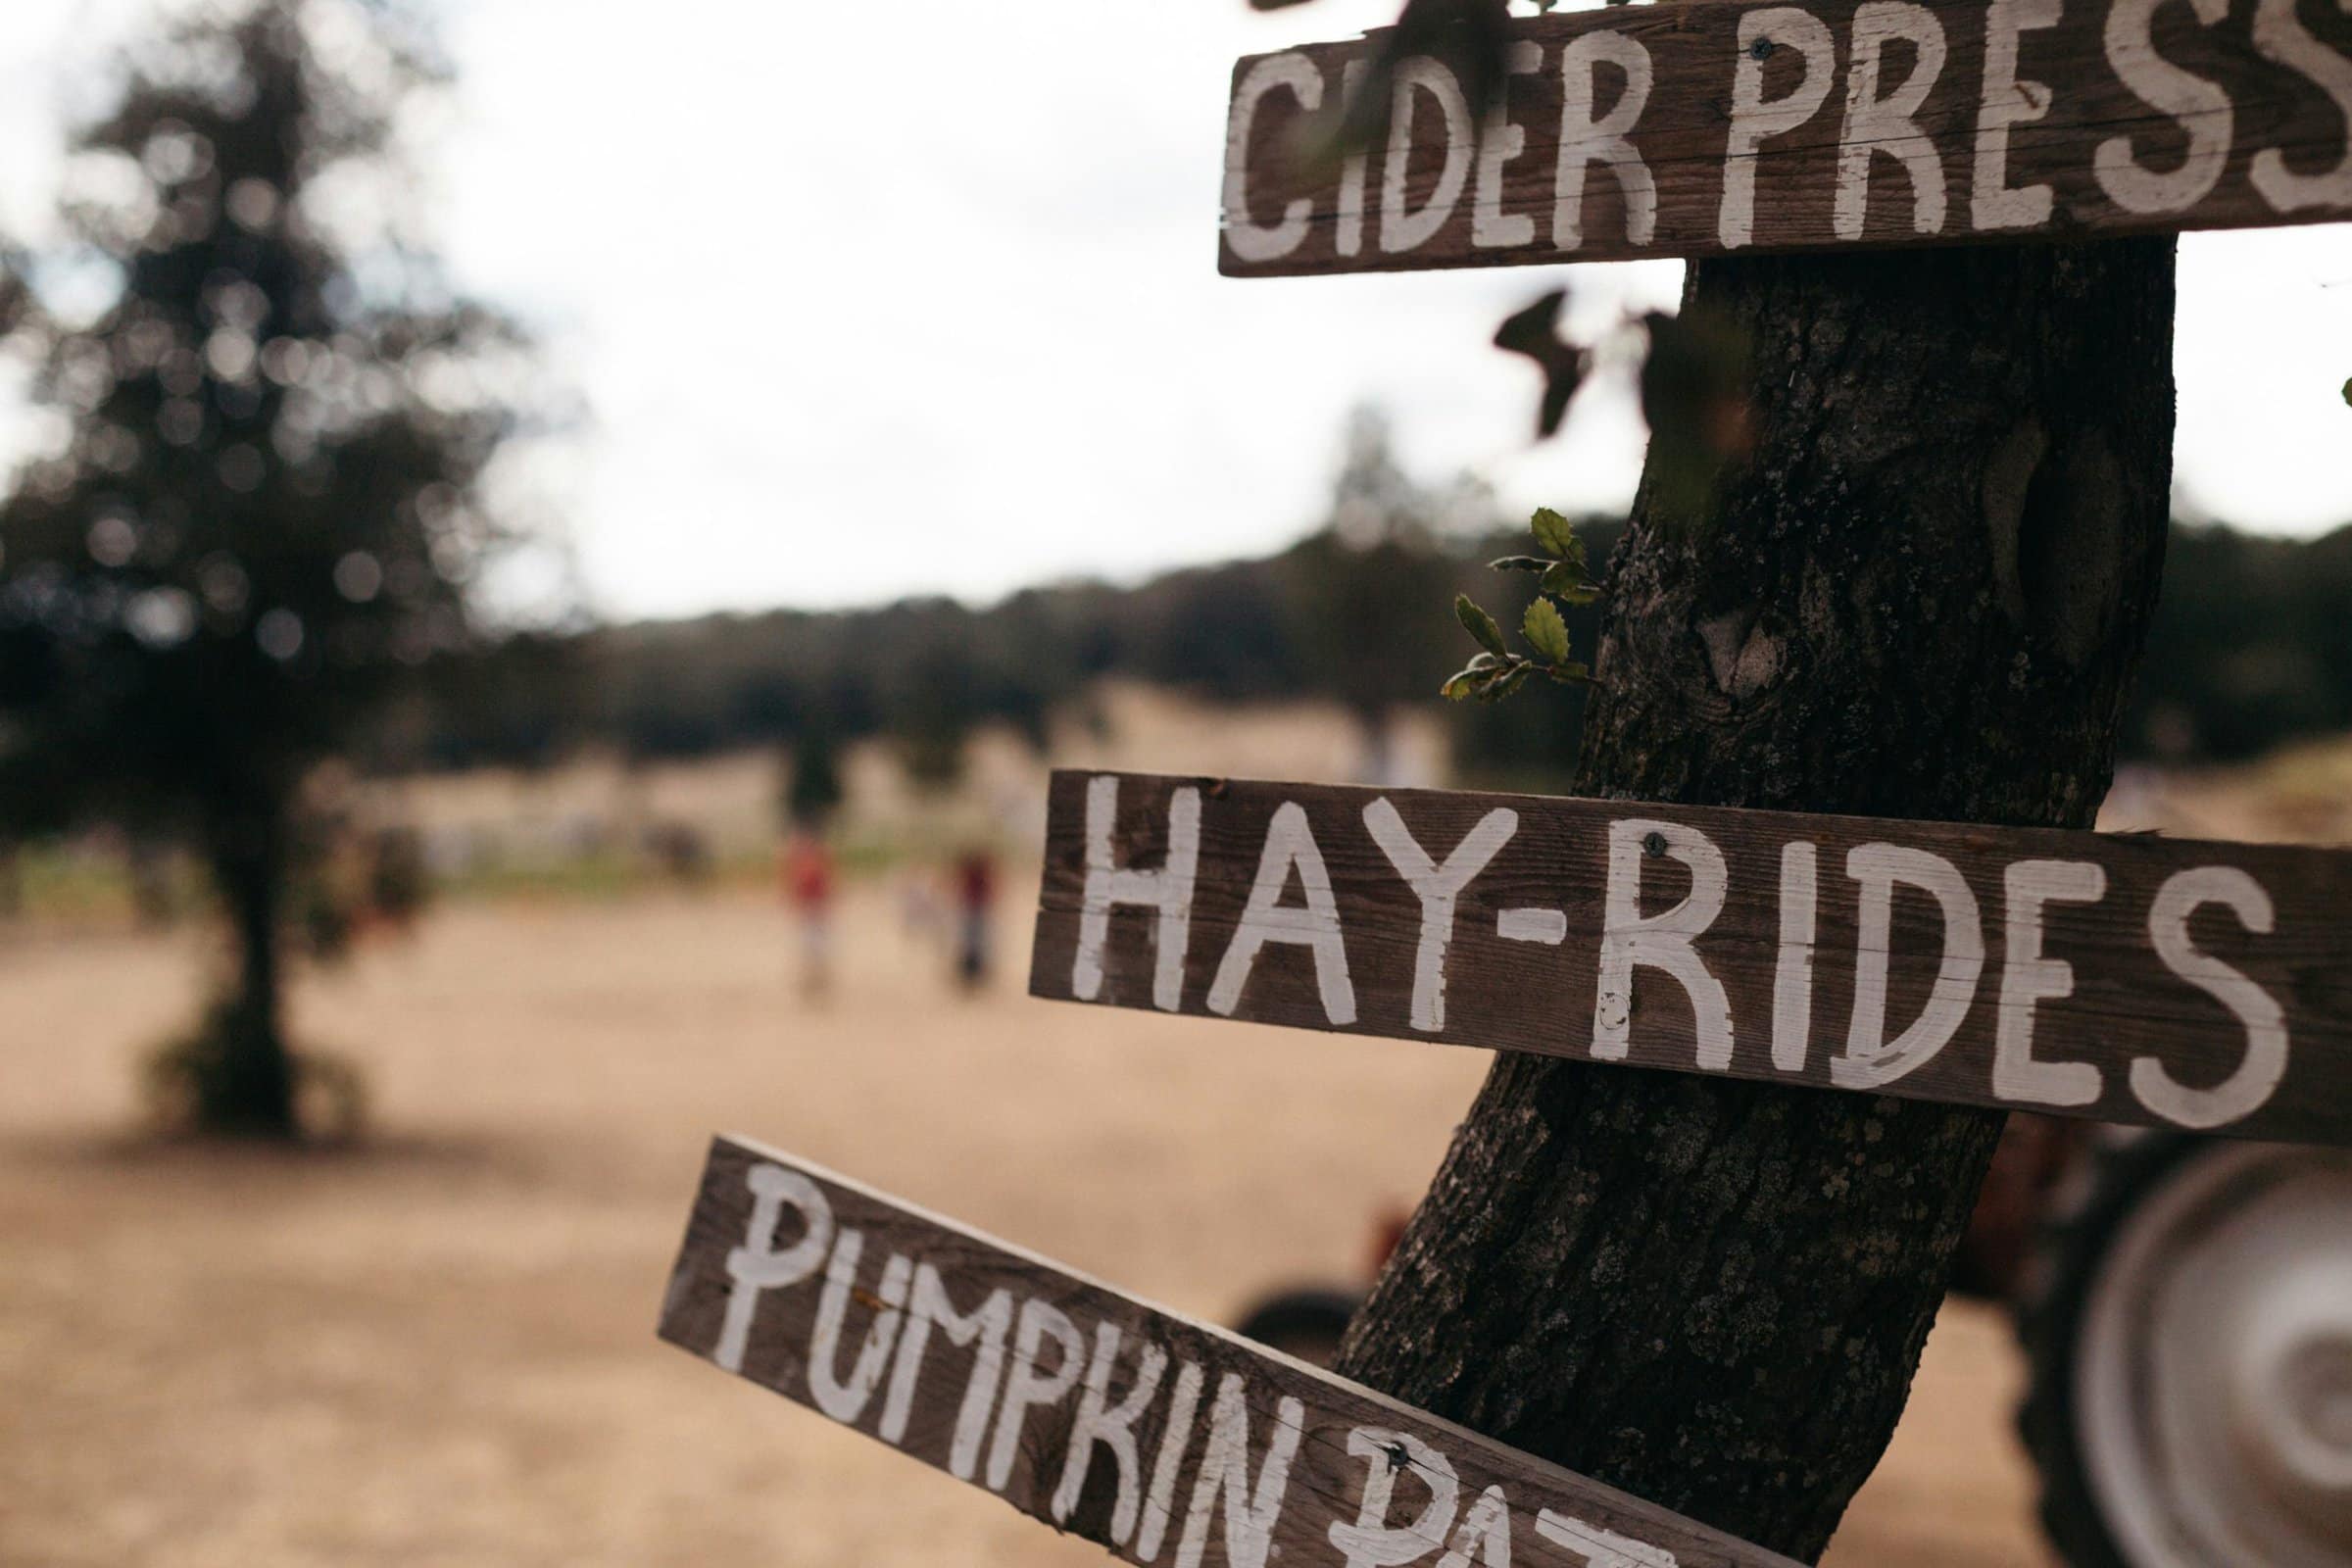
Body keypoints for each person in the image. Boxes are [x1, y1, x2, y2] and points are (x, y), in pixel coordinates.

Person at [780, 829, 837, 997]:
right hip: (810, 911)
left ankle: (817, 979)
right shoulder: (805, 864)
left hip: (815, 911)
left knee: (815, 947)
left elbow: (823, 888)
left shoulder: (812, 865)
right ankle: (814, 979)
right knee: (811, 947)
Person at [951, 847, 996, 991]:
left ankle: (973, 977)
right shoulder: (977, 875)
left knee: (974, 945)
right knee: (973, 945)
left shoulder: (977, 875)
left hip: (975, 912)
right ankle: (971, 977)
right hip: (973, 912)